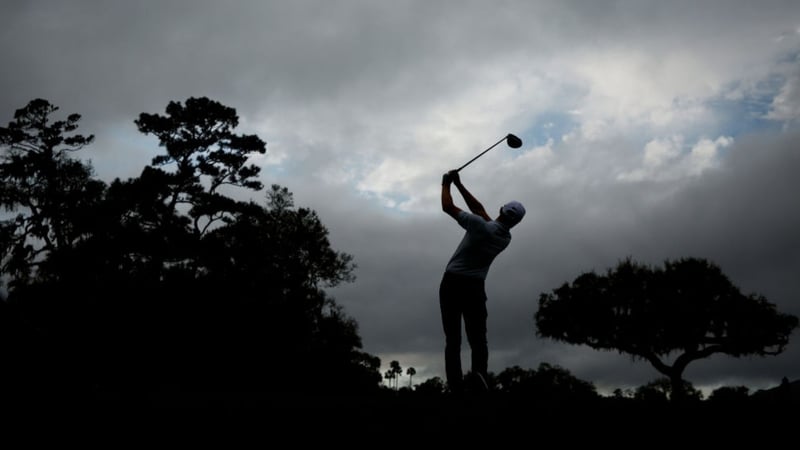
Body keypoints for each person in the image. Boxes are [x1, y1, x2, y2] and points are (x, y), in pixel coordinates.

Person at [439, 169, 525, 394]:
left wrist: (445, 184)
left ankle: (456, 385)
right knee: (478, 339)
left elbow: (447, 207)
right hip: (476, 288)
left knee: (453, 339)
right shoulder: (505, 238)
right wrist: (459, 184)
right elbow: (478, 209)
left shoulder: (479, 226)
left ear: (501, 210)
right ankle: (479, 378)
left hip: (452, 284)